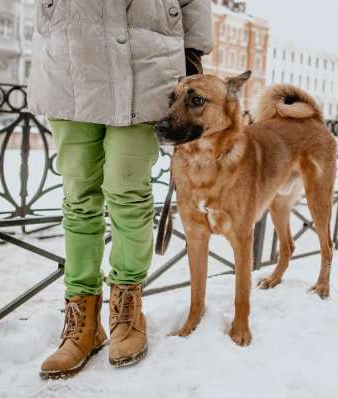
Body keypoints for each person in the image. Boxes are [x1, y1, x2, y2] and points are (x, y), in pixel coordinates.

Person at [27, 0, 213, 378]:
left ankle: (127, 308)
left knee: (128, 192)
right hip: (70, 52)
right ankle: (82, 319)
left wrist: (192, 52)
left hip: (148, 58)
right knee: (78, 197)